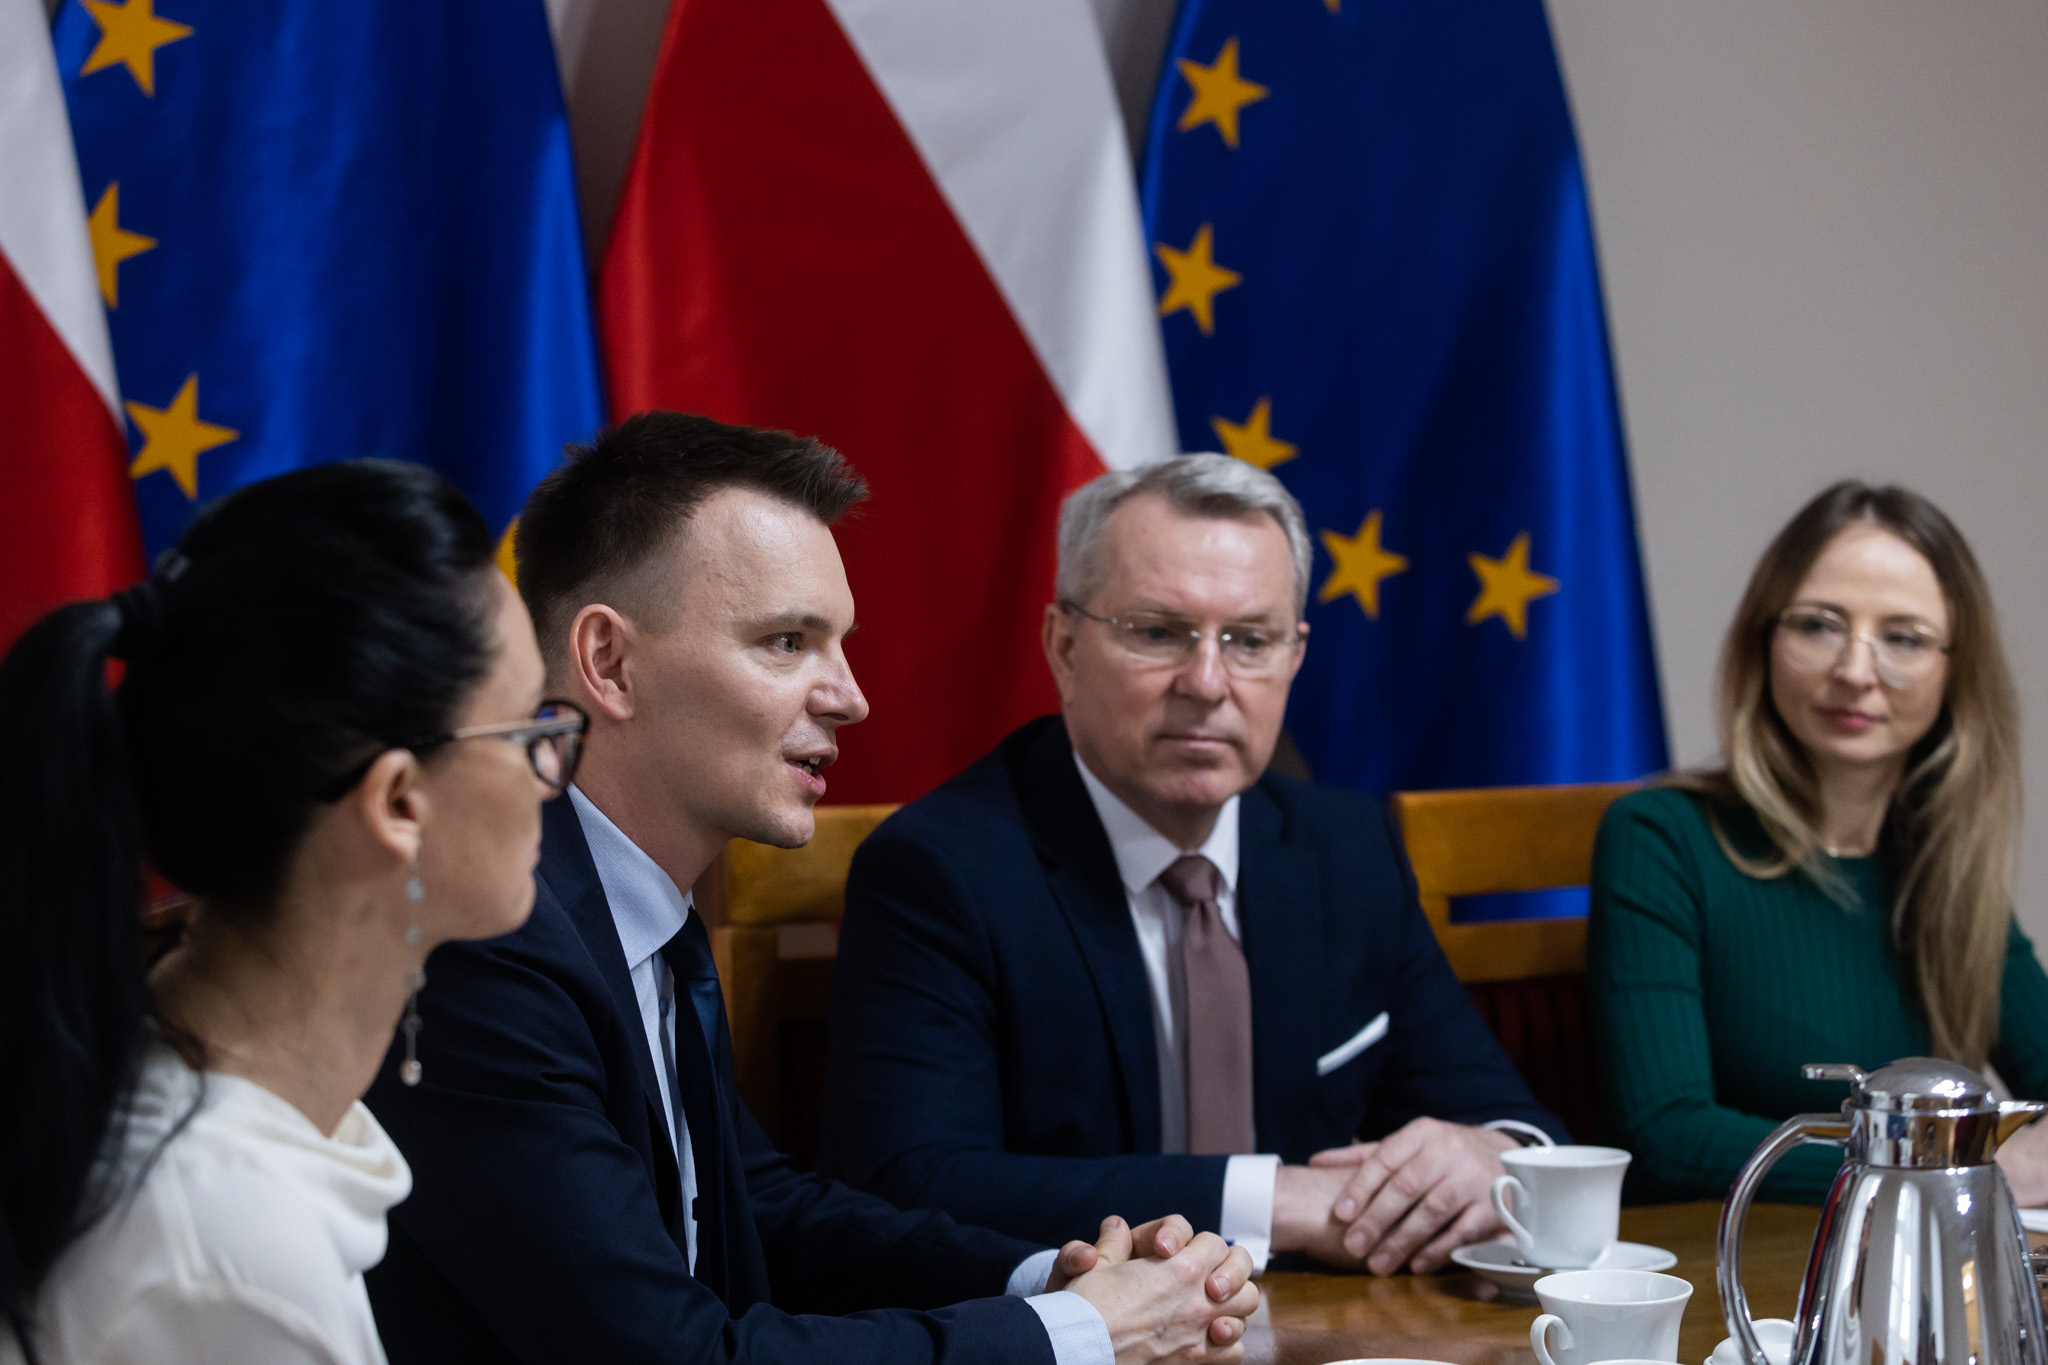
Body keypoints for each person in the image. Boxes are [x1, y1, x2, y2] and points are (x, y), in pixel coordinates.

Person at [363, 413, 1258, 1365]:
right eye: (788, 642)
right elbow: (671, 1358)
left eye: (838, 643)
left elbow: (761, 1209)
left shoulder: (631, 900)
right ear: (610, 663)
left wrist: (1051, 1277)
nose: (850, 696)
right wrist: (1081, 1333)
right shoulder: (485, 938)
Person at [821, 454, 1567, 1279]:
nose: (1208, 682)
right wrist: (1274, 1200)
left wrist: (1490, 1155)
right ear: (1064, 646)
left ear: (1294, 656)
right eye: (1157, 632)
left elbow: (1515, 1124)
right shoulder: (940, 870)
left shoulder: (1348, 850)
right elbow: (908, 1182)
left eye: (1250, 640)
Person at [0, 461, 578, 1365]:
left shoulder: (221, 1114)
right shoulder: (225, 1249)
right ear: (398, 802)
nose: (553, 773)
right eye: (529, 729)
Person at [1588, 480, 2048, 1203]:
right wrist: (1945, 1166)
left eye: (1903, 638)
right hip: (1727, 1262)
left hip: (1901, 1267)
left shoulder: (1943, 860)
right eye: (1818, 625)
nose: (1855, 672)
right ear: (1764, 639)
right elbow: (1665, 1133)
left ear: (1957, 672)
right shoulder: (1660, 836)